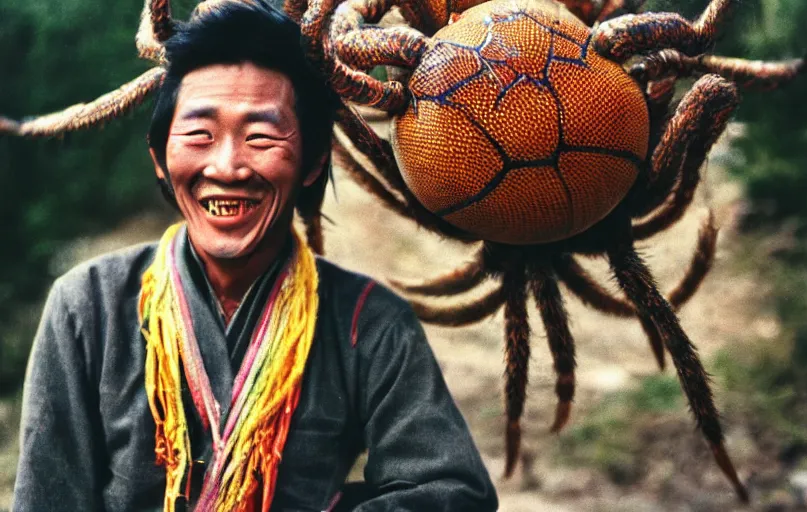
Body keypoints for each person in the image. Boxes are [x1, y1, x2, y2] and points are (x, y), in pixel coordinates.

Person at [11, 1, 498, 511]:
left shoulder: (367, 323)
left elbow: (452, 492)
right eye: (199, 134)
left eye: (261, 137)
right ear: (159, 157)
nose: (227, 166)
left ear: (312, 161)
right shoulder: (88, 307)